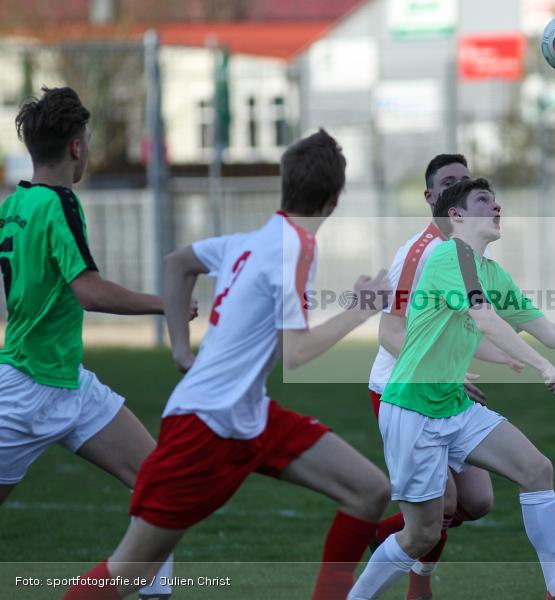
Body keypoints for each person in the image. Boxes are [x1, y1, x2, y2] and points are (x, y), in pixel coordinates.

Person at [64, 129, 393, 600]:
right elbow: (297, 352)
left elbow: (178, 263)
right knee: (129, 571)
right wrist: (361, 310)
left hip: (249, 416)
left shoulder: (249, 241)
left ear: (285, 185)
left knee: (368, 490)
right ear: (335, 199)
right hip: (203, 428)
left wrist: (182, 351)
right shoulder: (297, 246)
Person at [349, 178, 555, 600]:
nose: (497, 207)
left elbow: (549, 331)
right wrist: (542, 366)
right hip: (412, 409)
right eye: (483, 201)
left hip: (452, 406)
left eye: (496, 201)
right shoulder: (450, 254)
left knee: (536, 470)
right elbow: (485, 318)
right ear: (456, 216)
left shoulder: (491, 272)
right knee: (420, 536)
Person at [0, 86, 189, 599]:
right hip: (25, 390)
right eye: (87, 138)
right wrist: (166, 303)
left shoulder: (15, 203)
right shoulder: (59, 203)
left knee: (161, 486)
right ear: (77, 147)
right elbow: (90, 292)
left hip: (67, 383)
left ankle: (153, 593)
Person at [367, 154, 524, 599]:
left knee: (478, 502)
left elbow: (464, 326)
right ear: (432, 196)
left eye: (467, 181)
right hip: (401, 388)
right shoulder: (418, 253)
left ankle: (386, 536)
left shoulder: (469, 249)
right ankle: (417, 583)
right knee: (444, 504)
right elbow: (389, 333)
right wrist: (443, 372)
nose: (461, 187)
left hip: (446, 387)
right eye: (450, 182)